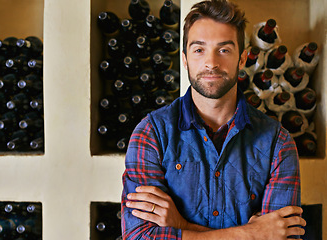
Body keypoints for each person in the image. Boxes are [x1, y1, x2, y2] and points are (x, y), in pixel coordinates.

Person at [121, 0, 306, 239]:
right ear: (185, 59)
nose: (211, 63)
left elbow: (283, 237)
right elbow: (139, 236)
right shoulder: (151, 133)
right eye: (199, 50)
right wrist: (251, 234)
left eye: (224, 50)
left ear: (242, 59)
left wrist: (181, 225)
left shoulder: (277, 143)